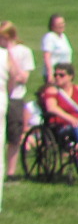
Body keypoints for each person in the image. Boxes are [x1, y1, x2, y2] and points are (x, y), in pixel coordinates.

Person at [3, 21, 36, 178]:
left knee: (14, 136)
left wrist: (10, 54)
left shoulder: (23, 51)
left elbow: (22, 78)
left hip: (15, 97)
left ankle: (10, 171)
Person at [40, 13, 71, 78]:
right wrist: (50, 73)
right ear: (53, 26)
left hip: (64, 74)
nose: (62, 25)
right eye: (59, 24)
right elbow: (47, 56)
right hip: (55, 74)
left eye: (63, 23)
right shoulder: (50, 37)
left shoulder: (63, 36)